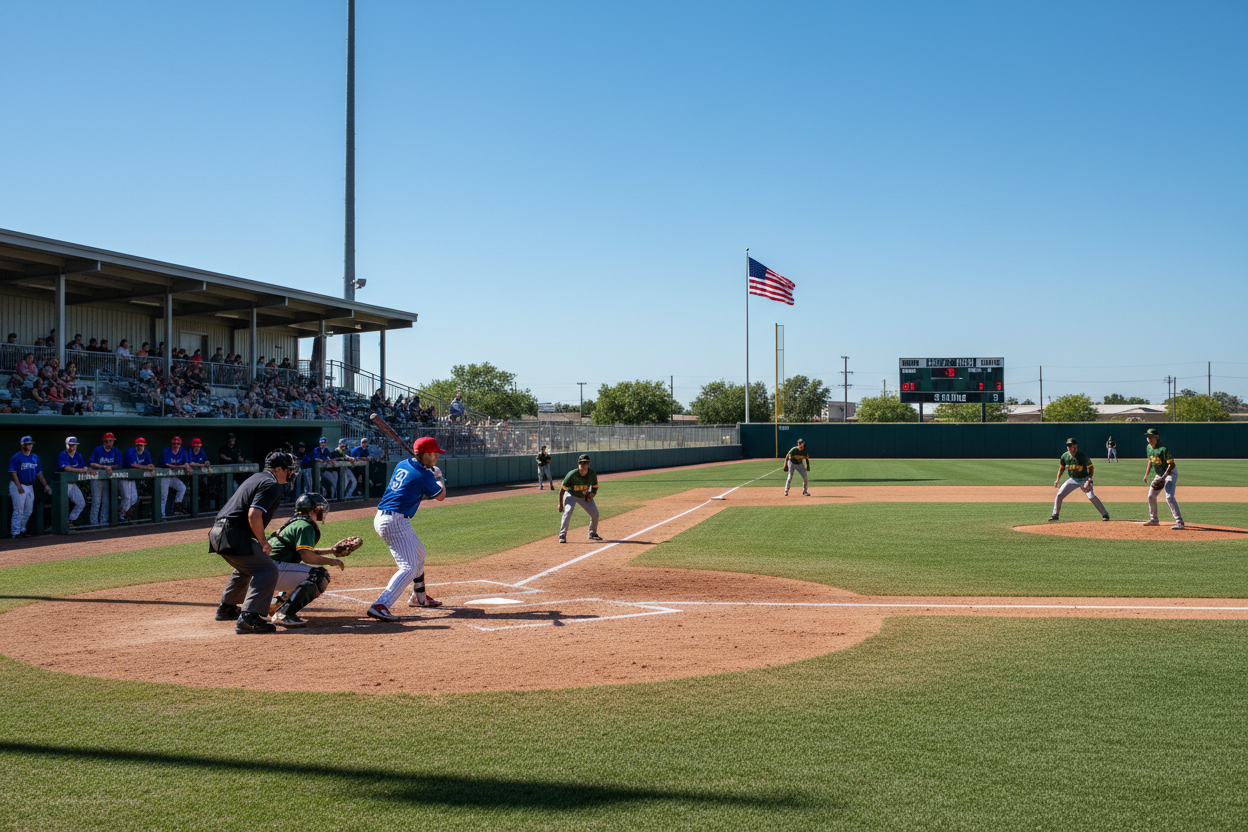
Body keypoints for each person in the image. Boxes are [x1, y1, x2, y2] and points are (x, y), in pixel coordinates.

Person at [211, 451, 295, 634]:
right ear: (279, 469)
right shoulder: (271, 484)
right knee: (267, 569)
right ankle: (249, 618)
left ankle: (227, 607)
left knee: (247, 566)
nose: (290, 474)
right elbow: (254, 514)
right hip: (232, 534)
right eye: (289, 470)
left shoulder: (256, 477)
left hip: (218, 532)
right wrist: (263, 542)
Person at [367, 436, 446, 621]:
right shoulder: (423, 474)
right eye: (434, 454)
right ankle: (381, 604)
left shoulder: (403, 463)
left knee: (419, 553)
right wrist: (439, 477)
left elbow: (418, 471)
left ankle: (419, 597)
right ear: (426, 455)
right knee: (408, 567)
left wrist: (427, 470)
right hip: (394, 520)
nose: (437, 457)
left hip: (385, 517)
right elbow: (440, 495)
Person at [264, 492, 347, 628]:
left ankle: (275, 606)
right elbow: (307, 557)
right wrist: (332, 561)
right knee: (319, 575)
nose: (322, 510)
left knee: (302, 574)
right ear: (314, 510)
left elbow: (303, 550)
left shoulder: (298, 523)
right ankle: (284, 614)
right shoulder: (306, 526)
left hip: (264, 569)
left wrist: (331, 551)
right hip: (272, 570)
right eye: (320, 507)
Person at [1049, 438, 1109, 522]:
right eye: (1069, 447)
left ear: (1076, 447)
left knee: (1091, 496)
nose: (1071, 449)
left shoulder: (1082, 456)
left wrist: (1089, 480)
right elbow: (1061, 468)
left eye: (1073, 447)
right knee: (1059, 495)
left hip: (1085, 479)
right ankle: (1055, 514)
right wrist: (1057, 479)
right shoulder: (1065, 456)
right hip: (1073, 479)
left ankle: (1105, 514)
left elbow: (1091, 467)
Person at [1143, 427, 1184, 529]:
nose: (1149, 438)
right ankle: (1154, 520)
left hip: (1170, 473)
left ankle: (1179, 522)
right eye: (1148, 436)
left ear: (1157, 437)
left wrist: (1164, 477)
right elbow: (1150, 460)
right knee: (1151, 496)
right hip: (1159, 474)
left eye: (1151, 436)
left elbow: (1172, 465)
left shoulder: (1163, 449)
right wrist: (1146, 474)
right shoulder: (1148, 447)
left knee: (1169, 496)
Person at [9, 436, 51, 537]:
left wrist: (45, 485)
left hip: (29, 486)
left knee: (28, 510)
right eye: (27, 444)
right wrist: (19, 487)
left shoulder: (34, 457)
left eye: (31, 444)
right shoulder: (16, 457)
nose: (30, 446)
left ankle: (22, 530)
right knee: (18, 510)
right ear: (22, 445)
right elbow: (13, 473)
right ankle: (15, 533)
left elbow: (39, 473)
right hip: (18, 485)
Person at [558, 453, 602, 543]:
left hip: (583, 496)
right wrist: (560, 504)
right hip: (571, 495)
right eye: (581, 463)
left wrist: (591, 495)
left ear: (588, 464)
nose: (582, 465)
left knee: (595, 514)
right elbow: (562, 490)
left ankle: (592, 533)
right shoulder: (572, 474)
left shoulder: (591, 474)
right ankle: (562, 535)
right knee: (568, 511)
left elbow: (595, 487)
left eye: (585, 463)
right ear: (578, 464)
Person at [87, 432, 122, 526]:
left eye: (111, 441)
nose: (110, 443)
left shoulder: (115, 451)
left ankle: (104, 522)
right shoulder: (97, 450)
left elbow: (118, 465)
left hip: (108, 479)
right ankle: (94, 523)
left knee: (106, 501)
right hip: (96, 478)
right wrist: (105, 467)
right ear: (104, 442)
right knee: (96, 501)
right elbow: (91, 464)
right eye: (108, 441)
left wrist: (110, 467)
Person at [121, 438, 155, 520]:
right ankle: (122, 515)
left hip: (132, 479)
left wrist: (152, 468)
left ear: (144, 446)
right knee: (127, 498)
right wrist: (147, 467)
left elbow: (150, 463)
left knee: (134, 498)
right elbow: (133, 464)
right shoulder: (131, 451)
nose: (139, 447)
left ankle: (122, 511)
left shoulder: (146, 452)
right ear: (135, 446)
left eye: (141, 445)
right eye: (138, 446)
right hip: (123, 477)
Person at [57, 437, 89, 525]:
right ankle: (59, 524)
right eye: (70, 445)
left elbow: (84, 467)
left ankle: (69, 521)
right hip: (63, 485)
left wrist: (85, 468)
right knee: (62, 505)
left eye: (74, 445)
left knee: (81, 503)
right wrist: (82, 470)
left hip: (73, 484)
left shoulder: (78, 455)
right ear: (67, 445)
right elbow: (66, 468)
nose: (72, 447)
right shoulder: (63, 455)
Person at [159, 437, 192, 515]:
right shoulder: (167, 451)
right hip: (163, 476)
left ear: (180, 444)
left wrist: (188, 467)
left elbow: (186, 462)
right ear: (171, 444)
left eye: (178, 444)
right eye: (174, 444)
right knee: (164, 496)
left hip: (171, 476)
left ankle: (176, 506)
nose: (176, 445)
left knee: (182, 488)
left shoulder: (182, 451)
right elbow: (167, 464)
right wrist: (182, 467)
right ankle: (162, 515)